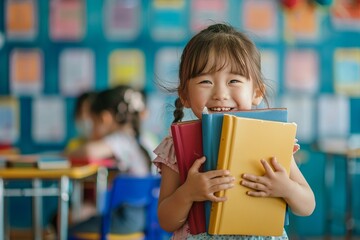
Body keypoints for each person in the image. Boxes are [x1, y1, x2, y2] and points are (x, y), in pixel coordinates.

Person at [153, 23, 316, 239]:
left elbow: (307, 205)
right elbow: (166, 221)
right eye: (205, 81)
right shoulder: (176, 146)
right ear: (185, 95)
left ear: (256, 93)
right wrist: (187, 193)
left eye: (234, 81)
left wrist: (286, 188)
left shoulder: (272, 138)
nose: (220, 93)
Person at [67, 85, 152, 235]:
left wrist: (63, 154)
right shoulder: (144, 139)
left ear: (105, 119)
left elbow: (88, 151)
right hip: (148, 218)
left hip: (125, 220)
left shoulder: (119, 140)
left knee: (70, 230)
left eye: (93, 122)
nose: (92, 128)